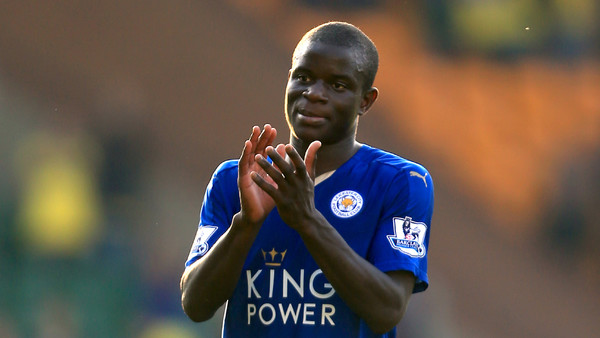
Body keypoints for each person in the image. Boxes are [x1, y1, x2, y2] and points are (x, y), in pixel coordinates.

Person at [180, 21, 434, 337]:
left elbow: (387, 311)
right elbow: (195, 305)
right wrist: (245, 225)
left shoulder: (401, 182)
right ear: (288, 81)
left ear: (365, 101)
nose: (314, 93)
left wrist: (308, 220)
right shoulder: (237, 180)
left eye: (337, 85)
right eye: (304, 77)